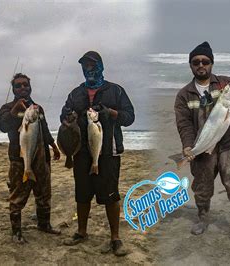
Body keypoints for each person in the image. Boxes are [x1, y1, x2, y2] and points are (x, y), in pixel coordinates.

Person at [174, 41, 230, 247]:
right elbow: (184, 124)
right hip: (202, 149)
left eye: (205, 61)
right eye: (196, 62)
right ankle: (203, 218)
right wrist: (188, 146)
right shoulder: (184, 95)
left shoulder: (225, 84)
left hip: (229, 146)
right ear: (190, 65)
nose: (201, 65)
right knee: (202, 188)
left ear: (211, 63)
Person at [60, 51, 135, 256]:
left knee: (111, 195)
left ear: (101, 66)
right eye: (85, 66)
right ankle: (81, 232)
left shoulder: (116, 91)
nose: (88, 69)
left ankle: (115, 238)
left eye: (92, 65)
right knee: (82, 194)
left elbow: (130, 117)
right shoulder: (75, 93)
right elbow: (63, 115)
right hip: (81, 152)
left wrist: (111, 113)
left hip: (108, 153)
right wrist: (68, 116)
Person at [0, 73, 61, 244]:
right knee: (17, 196)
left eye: (25, 85)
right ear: (13, 89)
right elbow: (3, 126)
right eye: (18, 85)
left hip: (42, 159)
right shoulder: (7, 108)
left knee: (44, 194)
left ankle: (44, 224)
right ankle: (16, 232)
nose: (23, 88)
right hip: (20, 160)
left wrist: (54, 147)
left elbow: (45, 129)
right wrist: (14, 110)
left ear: (30, 87)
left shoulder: (37, 109)